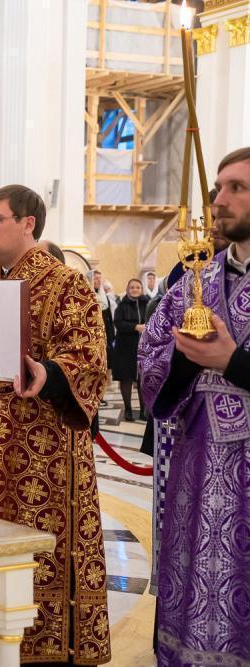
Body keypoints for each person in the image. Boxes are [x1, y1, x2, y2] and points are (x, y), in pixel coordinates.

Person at [0, 184, 110, 666]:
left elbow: (91, 360)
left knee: (33, 556)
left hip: (41, 459)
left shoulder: (68, 285)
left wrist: (48, 373)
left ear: (28, 223)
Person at [138, 146, 250, 666]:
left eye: (237, 188)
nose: (219, 201)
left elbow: (229, 362)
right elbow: (152, 358)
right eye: (218, 188)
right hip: (198, 469)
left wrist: (233, 363)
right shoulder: (194, 281)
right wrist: (185, 358)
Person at [112, 278, 149, 421]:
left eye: (137, 287)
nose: (135, 290)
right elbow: (118, 323)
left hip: (144, 347)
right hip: (125, 348)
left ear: (141, 289)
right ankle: (128, 409)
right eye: (132, 287)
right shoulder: (122, 305)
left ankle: (144, 411)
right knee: (126, 378)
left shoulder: (148, 303)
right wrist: (135, 327)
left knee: (142, 379)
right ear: (128, 290)